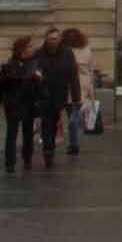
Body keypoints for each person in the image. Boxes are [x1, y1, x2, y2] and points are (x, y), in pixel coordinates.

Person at [0, 36, 45, 174]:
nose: (32, 49)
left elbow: (40, 87)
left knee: (28, 133)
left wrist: (44, 99)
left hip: (28, 103)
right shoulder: (9, 66)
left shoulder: (34, 65)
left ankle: (27, 158)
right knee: (12, 133)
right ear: (22, 49)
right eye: (30, 47)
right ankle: (10, 162)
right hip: (13, 104)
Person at [34, 26, 81, 168]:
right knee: (47, 122)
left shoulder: (67, 53)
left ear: (60, 39)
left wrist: (76, 96)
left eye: (55, 39)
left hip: (60, 92)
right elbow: (35, 73)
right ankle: (48, 150)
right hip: (44, 92)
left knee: (54, 122)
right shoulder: (39, 53)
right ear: (46, 39)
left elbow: (73, 75)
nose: (53, 41)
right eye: (50, 39)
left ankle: (50, 148)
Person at [60, 27, 97, 153]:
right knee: (76, 110)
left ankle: (73, 142)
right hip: (84, 83)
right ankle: (73, 141)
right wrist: (92, 93)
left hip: (68, 84)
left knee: (71, 112)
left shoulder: (64, 51)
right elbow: (91, 72)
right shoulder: (87, 50)